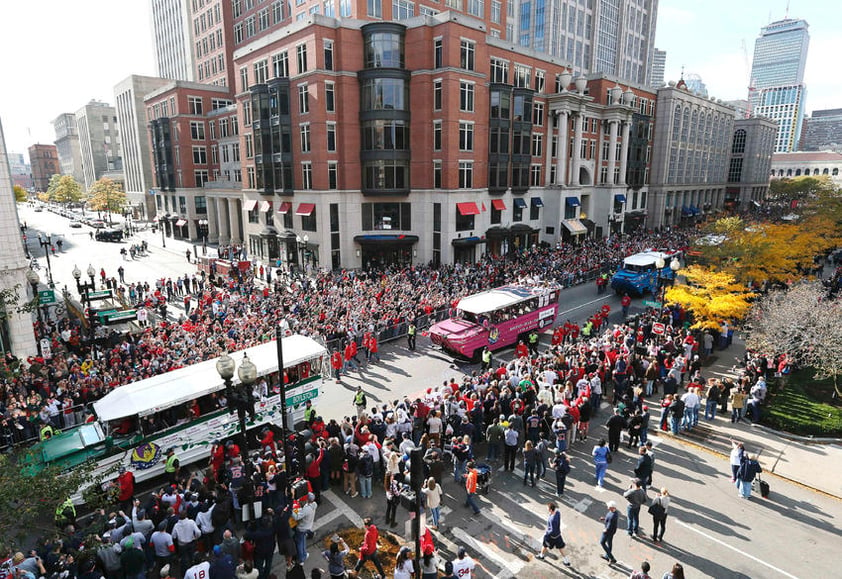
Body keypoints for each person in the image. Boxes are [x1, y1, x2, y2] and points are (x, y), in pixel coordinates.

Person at [292, 493, 317, 563]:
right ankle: (304, 554)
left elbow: (297, 517)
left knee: (299, 543)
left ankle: (301, 558)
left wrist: (291, 510)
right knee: (303, 541)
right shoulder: (314, 505)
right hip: (308, 526)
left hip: (301, 528)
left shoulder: (307, 508)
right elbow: (302, 511)